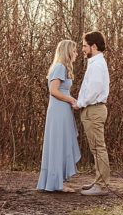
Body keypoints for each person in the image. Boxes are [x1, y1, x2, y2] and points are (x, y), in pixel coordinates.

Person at [37, 40, 82, 192]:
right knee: (58, 144)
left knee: (62, 143)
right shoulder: (60, 67)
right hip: (58, 111)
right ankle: (57, 183)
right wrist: (72, 100)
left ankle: (58, 180)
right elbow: (54, 91)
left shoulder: (62, 68)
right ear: (68, 51)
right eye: (74, 51)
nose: (77, 54)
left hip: (62, 110)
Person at [77, 31, 111, 196]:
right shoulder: (94, 63)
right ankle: (98, 181)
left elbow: (94, 90)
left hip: (94, 109)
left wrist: (80, 103)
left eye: (84, 45)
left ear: (94, 46)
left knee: (99, 147)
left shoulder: (97, 65)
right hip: (92, 109)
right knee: (95, 148)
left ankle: (102, 185)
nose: (83, 49)